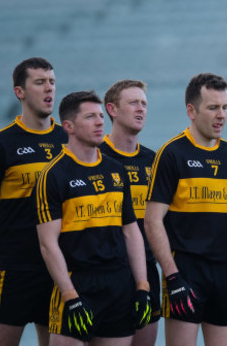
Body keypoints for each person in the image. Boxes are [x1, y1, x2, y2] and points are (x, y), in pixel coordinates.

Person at [144, 73, 227, 346]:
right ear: (191, 110)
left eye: (225, 107)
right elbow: (152, 222)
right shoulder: (172, 154)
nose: (221, 115)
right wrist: (172, 275)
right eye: (213, 107)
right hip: (186, 271)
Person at [35, 90, 151, 346]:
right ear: (69, 126)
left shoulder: (117, 171)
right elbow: (48, 244)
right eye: (90, 117)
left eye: (101, 116)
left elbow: (131, 232)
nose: (100, 122)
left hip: (119, 284)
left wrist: (142, 285)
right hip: (78, 284)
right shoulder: (53, 175)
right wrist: (70, 296)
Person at [0, 57, 67, 346]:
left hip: (60, 272)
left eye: (52, 82)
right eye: (40, 82)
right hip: (15, 271)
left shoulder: (68, 140)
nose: (49, 89)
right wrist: (6, 259)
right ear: (19, 91)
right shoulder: (0, 144)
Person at [100, 80, 160, 346]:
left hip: (146, 272)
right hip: (102, 271)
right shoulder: (93, 156)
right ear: (112, 109)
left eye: (144, 104)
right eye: (133, 102)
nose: (141, 109)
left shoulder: (154, 162)